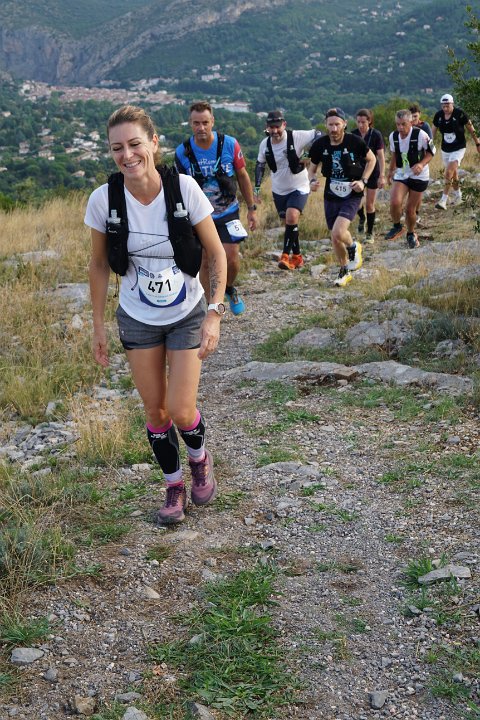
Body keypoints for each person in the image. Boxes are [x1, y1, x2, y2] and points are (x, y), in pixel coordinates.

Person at [85, 105, 227, 525]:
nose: (127, 155)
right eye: (117, 148)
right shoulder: (104, 200)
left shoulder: (183, 190)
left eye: (134, 144)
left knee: (181, 409)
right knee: (155, 412)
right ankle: (174, 487)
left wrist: (215, 313)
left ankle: (199, 459)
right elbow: (98, 264)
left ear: (153, 143)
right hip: (137, 317)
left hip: (186, 313)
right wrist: (98, 326)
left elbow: (216, 253)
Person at [175, 101, 257, 315]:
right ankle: (211, 306)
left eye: (205, 122)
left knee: (231, 257)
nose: (201, 128)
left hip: (228, 211)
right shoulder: (182, 152)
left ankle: (228, 288)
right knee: (205, 261)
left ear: (212, 121)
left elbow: (242, 176)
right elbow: (179, 186)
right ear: (190, 124)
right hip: (199, 216)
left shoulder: (230, 144)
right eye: (196, 123)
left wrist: (251, 208)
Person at [308, 107, 376, 287]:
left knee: (337, 232)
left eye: (337, 124)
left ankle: (345, 267)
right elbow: (311, 170)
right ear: (326, 125)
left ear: (344, 124)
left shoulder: (355, 141)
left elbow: (372, 160)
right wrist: (312, 181)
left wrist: (363, 181)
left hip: (352, 193)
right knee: (336, 236)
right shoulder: (320, 144)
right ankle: (352, 250)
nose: (334, 128)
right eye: (330, 125)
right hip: (331, 194)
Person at [254, 110, 319, 269]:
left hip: (299, 185)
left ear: (284, 124)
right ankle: (297, 257)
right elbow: (260, 165)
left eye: (278, 127)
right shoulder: (265, 144)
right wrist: (256, 188)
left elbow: (318, 134)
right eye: (271, 127)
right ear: (267, 127)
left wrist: (308, 153)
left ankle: (285, 256)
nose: (275, 131)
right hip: (279, 190)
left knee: (292, 216)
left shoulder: (296, 136)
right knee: (289, 223)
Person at [385, 109, 435, 248]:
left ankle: (411, 233)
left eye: (403, 124)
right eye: (398, 124)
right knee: (395, 202)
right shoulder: (393, 136)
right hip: (402, 173)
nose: (400, 128)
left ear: (411, 122)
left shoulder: (421, 135)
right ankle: (397, 226)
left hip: (419, 175)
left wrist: (421, 164)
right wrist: (390, 171)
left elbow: (431, 152)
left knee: (410, 209)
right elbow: (394, 154)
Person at [433, 93, 480, 210]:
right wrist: (428, 146)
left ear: (452, 104)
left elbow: (471, 129)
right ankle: (459, 196)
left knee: (448, 172)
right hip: (445, 149)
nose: (445, 108)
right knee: (453, 174)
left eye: (447, 105)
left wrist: (478, 143)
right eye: (443, 106)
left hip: (459, 148)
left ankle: (443, 200)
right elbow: (432, 132)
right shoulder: (438, 116)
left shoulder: (460, 114)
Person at [351, 108, 385, 244]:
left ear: (369, 121)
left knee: (370, 204)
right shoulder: (353, 134)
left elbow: (381, 157)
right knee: (357, 203)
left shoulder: (376, 134)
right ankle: (362, 218)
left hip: (372, 172)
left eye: (363, 122)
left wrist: (382, 175)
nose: (360, 125)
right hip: (357, 172)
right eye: (358, 122)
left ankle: (370, 233)